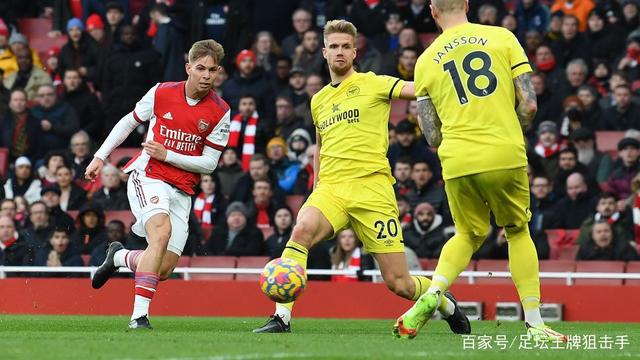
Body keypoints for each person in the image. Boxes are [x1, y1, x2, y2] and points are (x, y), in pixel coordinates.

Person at [253, 19, 469, 335]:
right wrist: (318, 185)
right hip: (332, 189)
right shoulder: (318, 99)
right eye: (334, 47)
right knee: (301, 229)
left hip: (373, 190)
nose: (339, 52)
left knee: (399, 283)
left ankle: (446, 303)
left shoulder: (375, 83)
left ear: (355, 52)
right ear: (324, 53)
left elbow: (417, 90)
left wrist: (447, 77)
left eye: (345, 47)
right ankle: (281, 317)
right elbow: (320, 146)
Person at [402, 0, 566, 342]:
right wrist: (507, 129)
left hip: (458, 160)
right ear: (466, 4)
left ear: (432, 11)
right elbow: (530, 104)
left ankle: (434, 292)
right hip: (503, 152)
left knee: (467, 234)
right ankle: (535, 323)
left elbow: (431, 134)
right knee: (517, 230)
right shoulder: (502, 37)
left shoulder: (424, 61)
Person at [86, 40, 230, 329]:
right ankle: (139, 317)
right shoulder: (162, 92)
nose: (206, 75)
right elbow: (129, 122)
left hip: (182, 188)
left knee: (163, 268)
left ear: (218, 72)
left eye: (212, 70)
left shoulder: (220, 111)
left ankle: (121, 256)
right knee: (160, 234)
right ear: (188, 67)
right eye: (200, 68)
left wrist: (169, 154)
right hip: (148, 175)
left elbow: (209, 164)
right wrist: (100, 156)